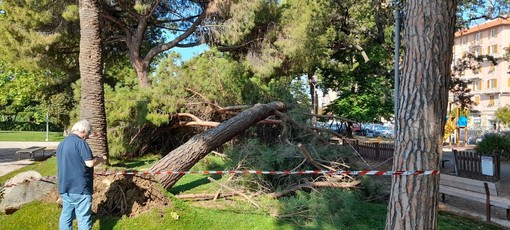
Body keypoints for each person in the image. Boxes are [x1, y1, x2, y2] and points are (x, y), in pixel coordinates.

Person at [57, 119, 106, 230]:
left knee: (66, 216)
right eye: (88, 134)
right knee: (83, 218)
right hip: (80, 188)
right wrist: (100, 159)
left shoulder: (62, 143)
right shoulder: (80, 143)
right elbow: (89, 163)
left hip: (65, 187)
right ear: (83, 131)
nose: (87, 137)